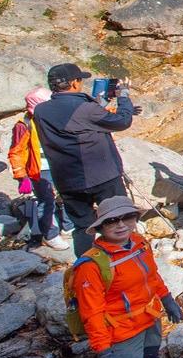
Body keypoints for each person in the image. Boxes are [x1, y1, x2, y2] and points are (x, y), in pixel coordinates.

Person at [71, 196, 183, 358]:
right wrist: (103, 352)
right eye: (112, 221)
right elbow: (92, 312)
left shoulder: (139, 243)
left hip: (149, 320)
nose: (121, 225)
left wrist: (167, 300)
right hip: (121, 333)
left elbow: (152, 275)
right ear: (100, 227)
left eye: (127, 218)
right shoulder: (92, 265)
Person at [33, 63, 136, 258]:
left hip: (67, 181)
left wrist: (99, 105)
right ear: (73, 83)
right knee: (118, 219)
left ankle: (87, 269)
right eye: (80, 80)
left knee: (82, 228)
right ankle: (125, 261)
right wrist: (123, 96)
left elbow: (75, 127)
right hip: (101, 175)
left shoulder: (41, 111)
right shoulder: (84, 108)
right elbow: (122, 122)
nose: (81, 84)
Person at [7, 87, 71, 250]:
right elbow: (16, 151)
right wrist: (21, 176)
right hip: (40, 169)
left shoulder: (54, 118)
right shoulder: (25, 124)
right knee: (46, 201)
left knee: (66, 195)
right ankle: (50, 234)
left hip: (59, 164)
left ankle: (68, 226)